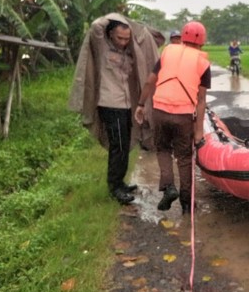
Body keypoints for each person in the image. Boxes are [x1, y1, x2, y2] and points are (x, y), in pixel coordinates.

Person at [69, 13, 159, 205]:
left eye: (127, 39)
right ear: (110, 34)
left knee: (124, 145)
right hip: (110, 104)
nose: (123, 42)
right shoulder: (102, 46)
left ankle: (120, 182)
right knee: (118, 146)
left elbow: (150, 40)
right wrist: (118, 17)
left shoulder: (129, 51)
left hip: (126, 105)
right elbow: (95, 26)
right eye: (120, 38)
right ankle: (114, 187)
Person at [135, 21, 211, 214]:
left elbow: (149, 82)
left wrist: (141, 105)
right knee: (184, 158)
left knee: (162, 149)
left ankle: (168, 186)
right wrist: (198, 131)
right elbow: (201, 99)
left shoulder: (168, 52)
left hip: (160, 110)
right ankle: (187, 203)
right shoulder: (203, 62)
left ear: (183, 37)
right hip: (184, 115)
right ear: (203, 40)